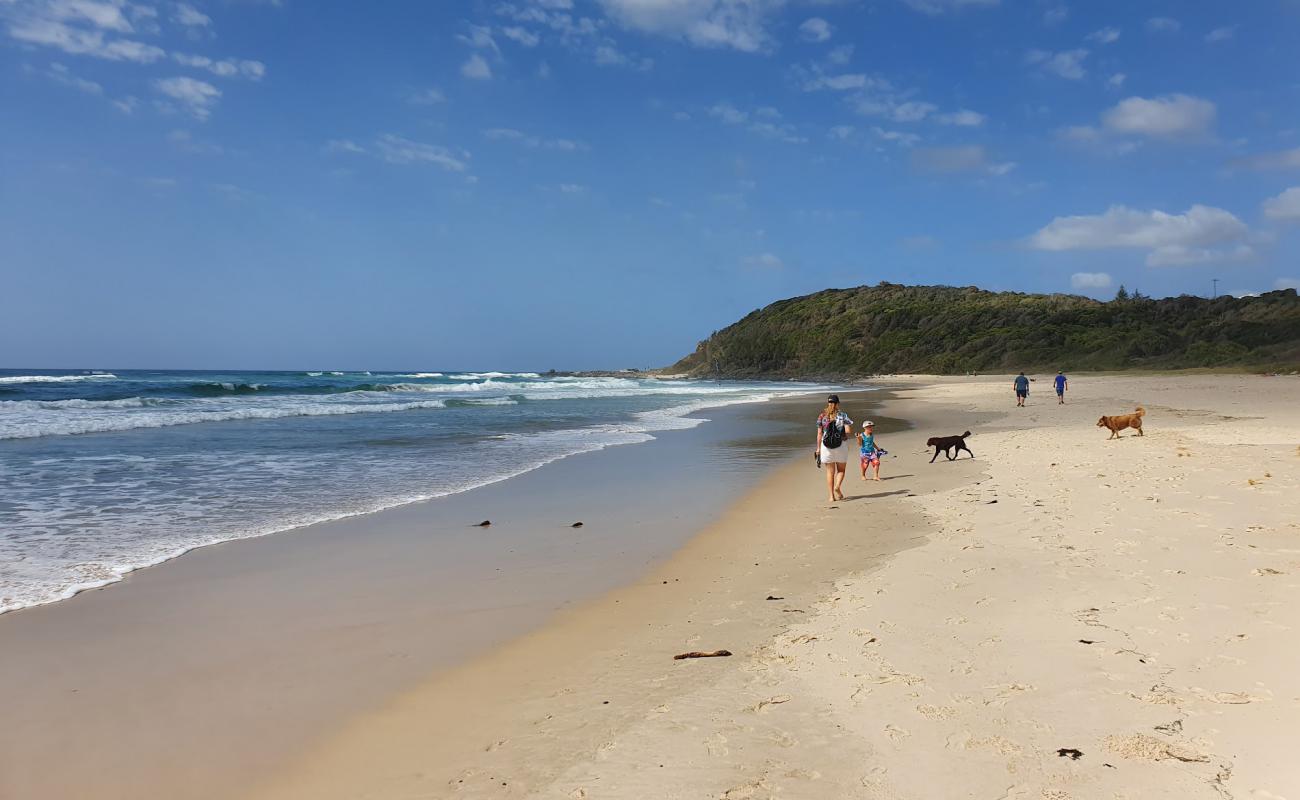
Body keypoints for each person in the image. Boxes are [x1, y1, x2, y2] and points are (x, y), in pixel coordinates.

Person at [816, 394, 853, 502]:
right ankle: (837, 487)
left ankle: (831, 496)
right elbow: (848, 431)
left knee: (829, 472)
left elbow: (819, 433)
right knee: (841, 470)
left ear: (828, 403)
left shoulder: (822, 416)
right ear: (837, 404)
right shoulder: (843, 415)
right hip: (841, 445)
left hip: (826, 446)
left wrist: (818, 449)